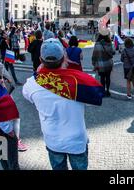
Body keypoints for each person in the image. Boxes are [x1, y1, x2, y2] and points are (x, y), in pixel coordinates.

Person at [23, 39, 102, 170]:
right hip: (77, 141)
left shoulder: (31, 84)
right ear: (64, 57)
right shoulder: (80, 81)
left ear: (41, 60)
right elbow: (96, 96)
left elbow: (28, 95)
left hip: (53, 141)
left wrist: (38, 74)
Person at [92, 29, 115, 97]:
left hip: (101, 65)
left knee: (102, 78)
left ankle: (102, 91)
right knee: (108, 77)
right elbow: (113, 52)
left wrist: (94, 63)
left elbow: (94, 55)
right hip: (108, 64)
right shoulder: (109, 43)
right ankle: (107, 90)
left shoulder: (97, 44)